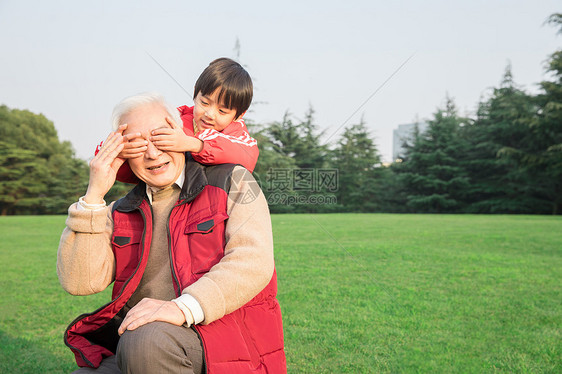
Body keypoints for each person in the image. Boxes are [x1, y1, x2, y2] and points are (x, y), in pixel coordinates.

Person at [57, 92, 286, 373]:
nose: (152, 154)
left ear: (180, 133)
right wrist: (93, 197)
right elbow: (80, 282)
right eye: (138, 145)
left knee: (146, 339)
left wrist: (180, 308)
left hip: (216, 340)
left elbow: (253, 262)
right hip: (138, 344)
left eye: (160, 138)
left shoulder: (233, 181)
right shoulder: (120, 211)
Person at [106, 57, 259, 185]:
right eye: (204, 103)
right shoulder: (176, 119)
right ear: (195, 93)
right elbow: (131, 169)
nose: (210, 114)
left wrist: (194, 144)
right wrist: (121, 151)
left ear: (239, 115)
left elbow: (248, 157)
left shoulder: (237, 134)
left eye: (222, 111)